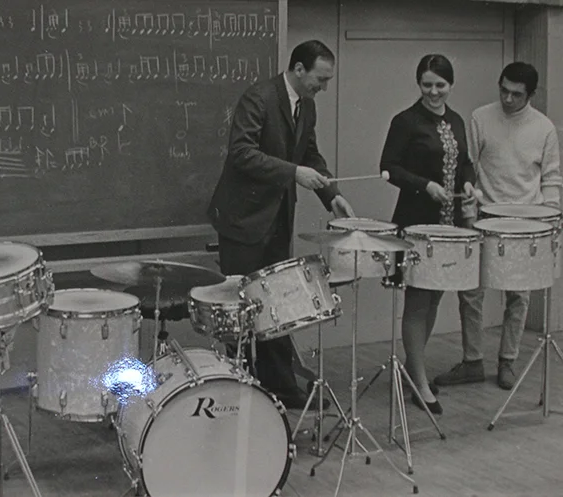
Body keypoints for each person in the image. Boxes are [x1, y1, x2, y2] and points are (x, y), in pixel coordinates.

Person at [207, 40, 355, 410]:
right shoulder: (259, 98)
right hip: (243, 221)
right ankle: (241, 393)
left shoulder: (307, 106)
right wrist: (293, 173)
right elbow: (241, 153)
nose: (323, 87)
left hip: (276, 220)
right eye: (320, 79)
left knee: (275, 307)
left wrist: (331, 194)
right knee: (241, 311)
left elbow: (310, 154)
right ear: (299, 69)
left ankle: (280, 387)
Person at [434, 62, 562, 390]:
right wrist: (468, 214)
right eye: (503, 90)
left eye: (516, 94)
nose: (507, 98)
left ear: (530, 95)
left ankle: (508, 360)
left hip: (526, 221)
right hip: (485, 217)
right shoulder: (480, 118)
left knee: (518, 295)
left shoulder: (544, 128)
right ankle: (472, 361)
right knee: (470, 292)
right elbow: (468, 167)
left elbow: (550, 177)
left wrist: (550, 217)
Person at [379, 54, 477, 415]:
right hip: (417, 223)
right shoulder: (405, 121)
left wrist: (468, 183)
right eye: (427, 85)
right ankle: (419, 382)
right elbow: (387, 168)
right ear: (418, 84)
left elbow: (465, 160)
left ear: (451, 85)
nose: (434, 92)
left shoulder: (456, 119)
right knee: (418, 302)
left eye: (441, 85)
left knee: (434, 299)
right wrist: (425, 185)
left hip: (449, 225)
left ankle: (413, 369)